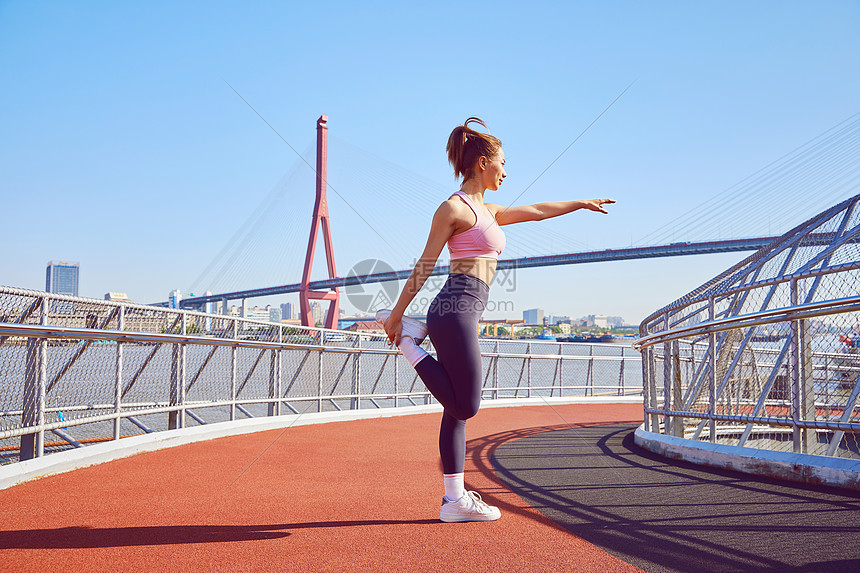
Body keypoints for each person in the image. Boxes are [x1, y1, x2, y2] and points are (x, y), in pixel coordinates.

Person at [377, 117, 614, 523]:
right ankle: (408, 342)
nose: (506, 171)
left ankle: (454, 501)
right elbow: (424, 265)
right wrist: (396, 318)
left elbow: (538, 211)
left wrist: (580, 203)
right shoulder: (453, 208)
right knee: (467, 406)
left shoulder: (488, 210)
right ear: (483, 162)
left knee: (454, 411)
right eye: (503, 163)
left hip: (465, 311)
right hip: (454, 311)